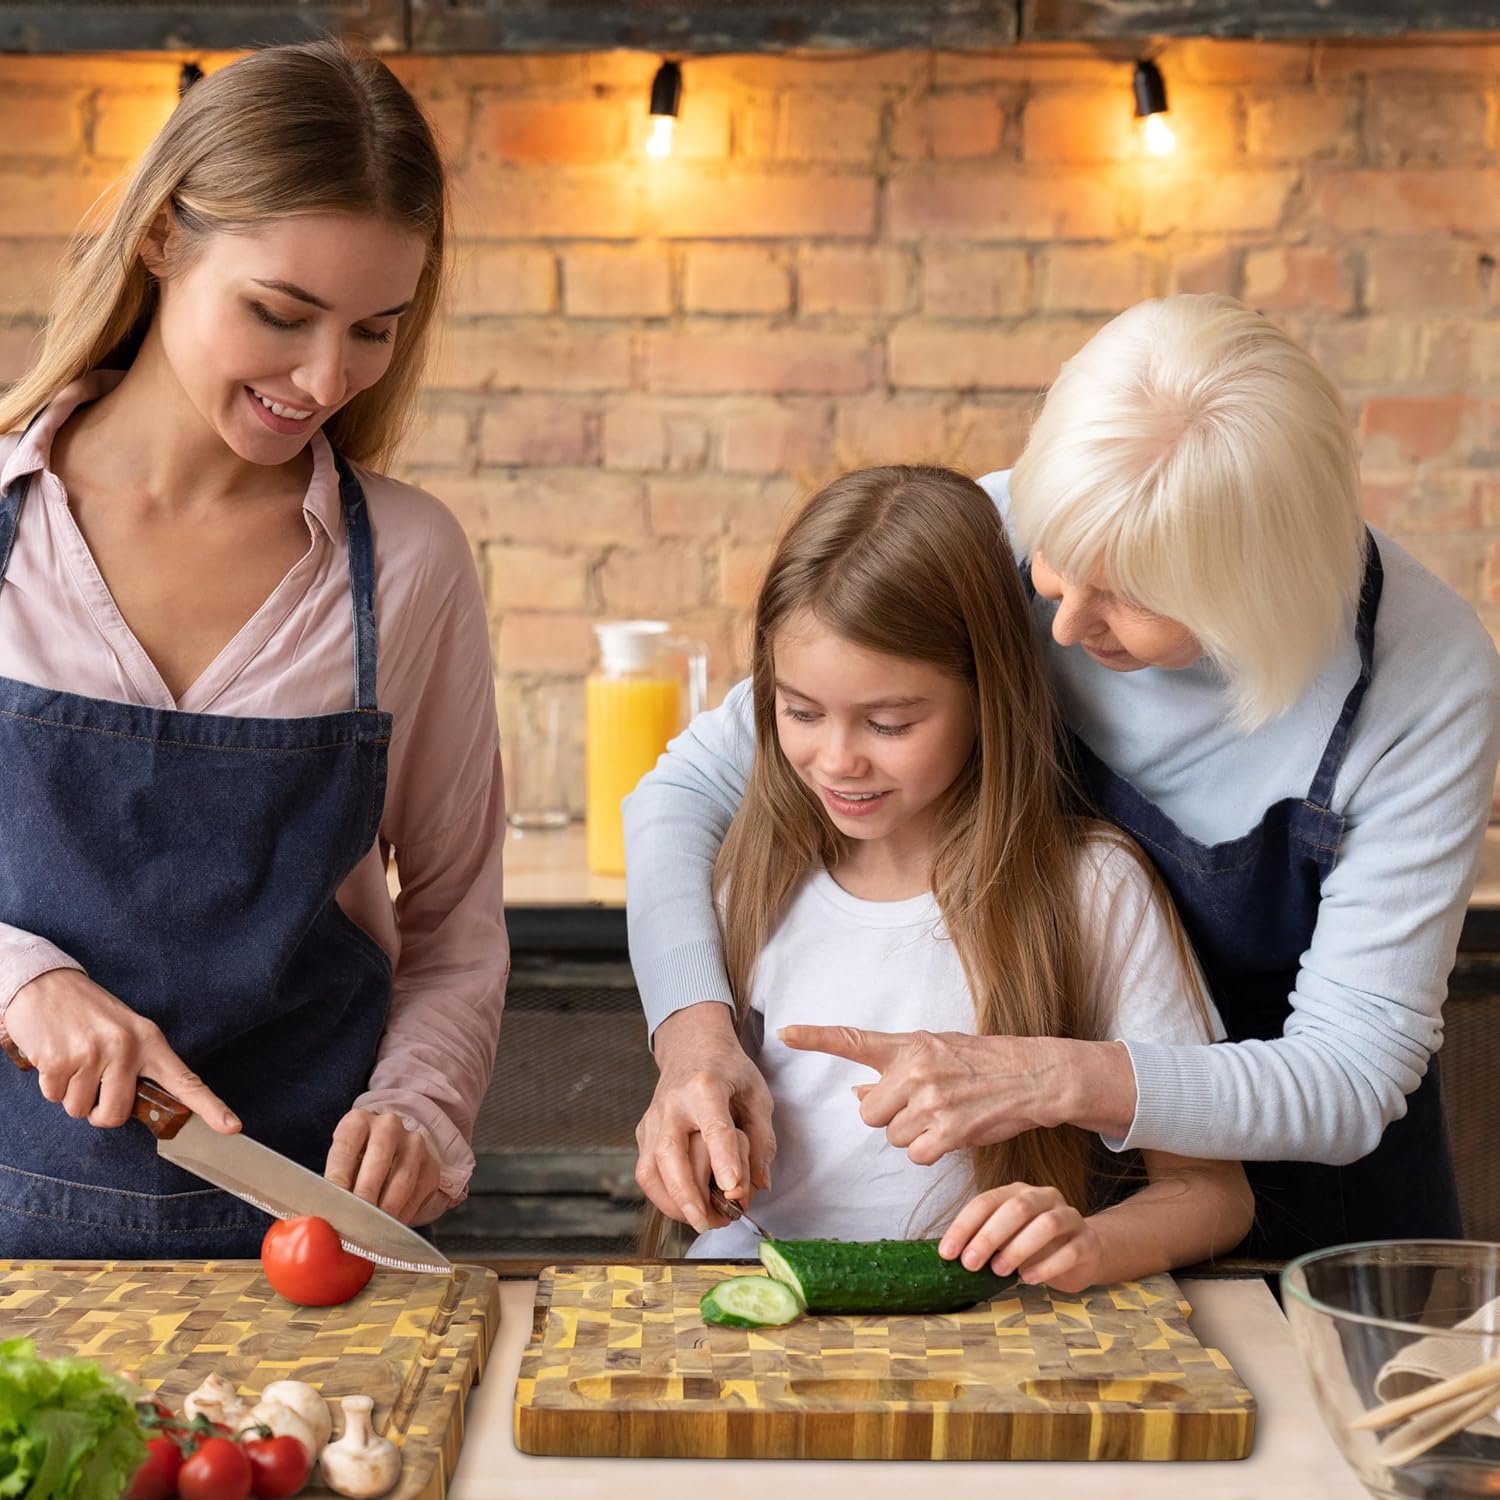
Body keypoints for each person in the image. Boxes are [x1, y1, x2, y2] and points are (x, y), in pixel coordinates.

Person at [628, 295, 1500, 1261]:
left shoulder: (1425, 681)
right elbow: (681, 796)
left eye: (1126, 596)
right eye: (1054, 563)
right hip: (1054, 1205)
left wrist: (1053, 1081)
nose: (1063, 626)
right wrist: (695, 1042)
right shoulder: (1010, 529)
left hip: (1314, 1193)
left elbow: (1352, 1073)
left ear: (1255, 595)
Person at [0, 40, 506, 1258]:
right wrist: (24, 977)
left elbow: (454, 923)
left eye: (374, 329)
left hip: (310, 1240)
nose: (326, 378)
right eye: (280, 315)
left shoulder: (411, 564)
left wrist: (421, 1104)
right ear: (164, 239)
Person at [653, 465, 1252, 1288]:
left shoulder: (1093, 890)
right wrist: (695, 1160)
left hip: (988, 1335)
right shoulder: (747, 879)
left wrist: (1093, 1243)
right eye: (799, 711)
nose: (836, 760)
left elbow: (1210, 1191)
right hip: (755, 1301)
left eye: (890, 722)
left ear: (987, 694)